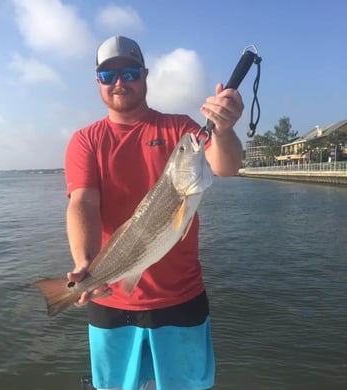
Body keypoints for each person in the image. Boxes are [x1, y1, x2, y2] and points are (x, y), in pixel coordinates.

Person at [65, 35, 243, 390]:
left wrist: (222, 131)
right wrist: (85, 264)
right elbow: (82, 202)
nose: (120, 82)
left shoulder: (180, 129)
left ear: (145, 75)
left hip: (181, 298)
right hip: (111, 297)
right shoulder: (86, 140)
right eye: (108, 75)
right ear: (97, 82)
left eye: (130, 72)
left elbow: (225, 166)